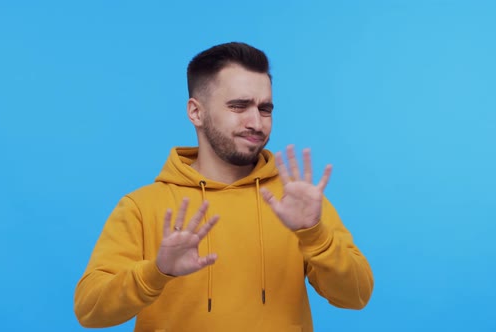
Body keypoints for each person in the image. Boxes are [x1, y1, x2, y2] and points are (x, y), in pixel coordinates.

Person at [74, 42, 373, 331]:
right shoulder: (142, 207)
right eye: (239, 106)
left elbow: (356, 297)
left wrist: (315, 235)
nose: (256, 122)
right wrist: (157, 272)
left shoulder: (296, 202)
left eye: (265, 108)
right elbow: (90, 311)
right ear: (196, 112)